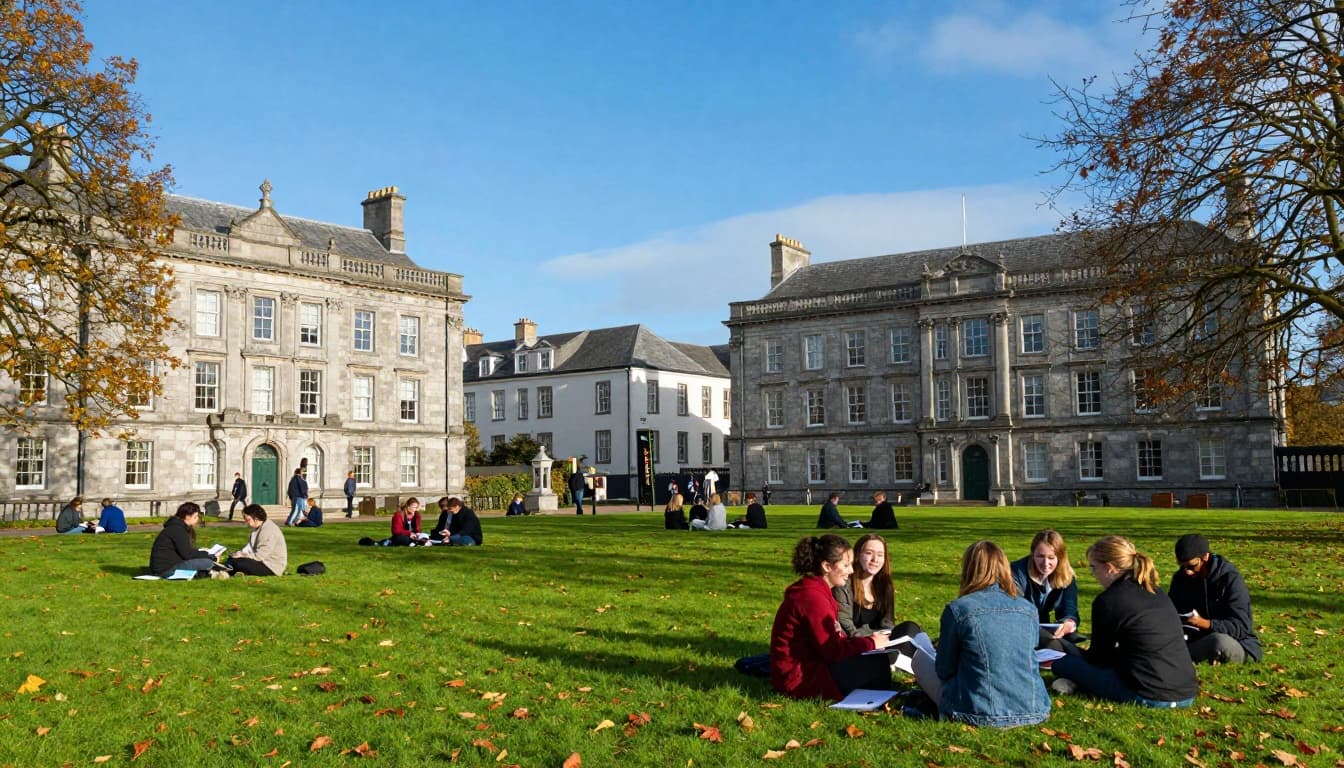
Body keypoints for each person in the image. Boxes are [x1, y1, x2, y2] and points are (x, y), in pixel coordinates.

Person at [1051, 535, 1199, 708]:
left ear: (1109, 568)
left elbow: (1100, 659)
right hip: (1186, 692)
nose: (1093, 574)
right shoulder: (1155, 591)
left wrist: (1070, 649)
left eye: (1094, 568)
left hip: (1150, 694)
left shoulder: (1108, 601)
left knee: (1062, 664)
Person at [929, 540, 1050, 727]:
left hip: (978, 710)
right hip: (1034, 707)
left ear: (968, 569)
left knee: (919, 658)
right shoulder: (1028, 609)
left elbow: (944, 670)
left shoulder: (959, 609)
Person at [770, 534, 894, 700]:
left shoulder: (818, 590)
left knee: (876, 663)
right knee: (878, 666)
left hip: (813, 663)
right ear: (827, 566)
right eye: (846, 565)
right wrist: (871, 642)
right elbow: (832, 650)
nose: (851, 571)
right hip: (801, 676)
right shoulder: (812, 597)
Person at [1168, 533, 1261, 664]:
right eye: (1182, 566)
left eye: (1192, 566)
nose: (1187, 571)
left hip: (1234, 641)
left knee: (1218, 643)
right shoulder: (1180, 578)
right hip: (1192, 637)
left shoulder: (1230, 579)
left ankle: (1175, 655)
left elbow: (1241, 627)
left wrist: (1204, 623)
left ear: (1205, 557)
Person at [832, 534, 923, 657]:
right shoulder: (844, 585)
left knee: (910, 628)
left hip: (880, 641)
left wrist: (885, 637)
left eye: (880, 555)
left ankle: (899, 656)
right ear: (857, 555)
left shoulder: (885, 586)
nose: (875, 559)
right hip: (857, 644)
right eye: (869, 553)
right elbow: (846, 626)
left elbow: (888, 624)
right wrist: (871, 639)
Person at [1011, 529, 1082, 653]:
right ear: (1032, 555)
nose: (1045, 563)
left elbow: (1070, 609)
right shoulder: (1016, 573)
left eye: (1051, 558)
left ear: (1060, 558)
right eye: (1040, 556)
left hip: (1044, 627)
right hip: (1022, 627)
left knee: (1067, 643)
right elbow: (1017, 610)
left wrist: (1067, 624)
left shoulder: (1066, 575)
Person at [148, 502, 223, 578]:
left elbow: (185, 550)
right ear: (187, 517)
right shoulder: (177, 530)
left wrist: (202, 551)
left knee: (204, 561)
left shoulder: (177, 528)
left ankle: (207, 572)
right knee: (207, 562)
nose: (197, 519)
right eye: (195, 517)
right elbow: (188, 555)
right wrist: (210, 556)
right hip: (166, 570)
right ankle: (210, 572)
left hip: (167, 566)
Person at [226, 504, 287, 577]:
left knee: (239, 563)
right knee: (233, 557)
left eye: (247, 519)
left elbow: (260, 556)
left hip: (271, 566)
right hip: (262, 561)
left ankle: (227, 571)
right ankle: (229, 570)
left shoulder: (268, 531)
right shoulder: (259, 528)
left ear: (256, 518)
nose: (246, 522)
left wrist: (244, 555)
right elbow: (250, 548)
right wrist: (240, 553)